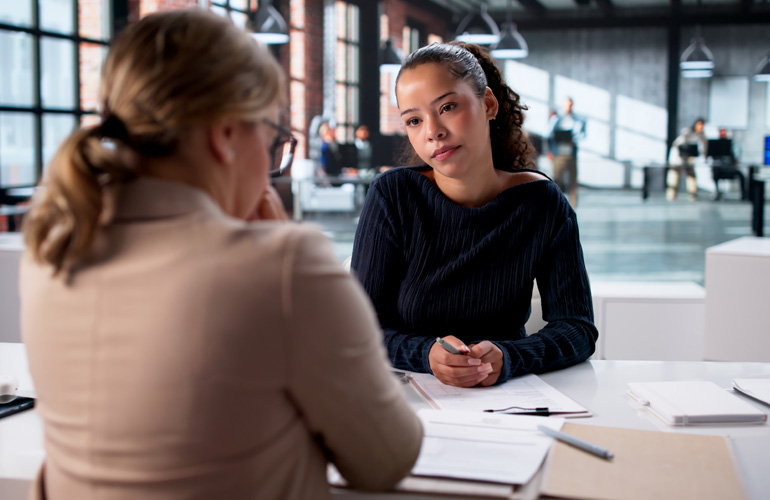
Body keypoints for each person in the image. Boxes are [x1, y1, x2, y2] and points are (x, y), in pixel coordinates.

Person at [19, 10, 421, 500]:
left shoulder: (53, 248)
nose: (271, 163)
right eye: (272, 140)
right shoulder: (284, 268)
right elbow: (386, 460)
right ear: (226, 134)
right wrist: (278, 250)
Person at [350, 42, 597, 388]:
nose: (433, 131)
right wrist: (426, 354)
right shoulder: (393, 195)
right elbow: (359, 329)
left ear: (489, 104)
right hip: (410, 396)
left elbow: (578, 328)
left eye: (448, 107)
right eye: (414, 120)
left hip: (508, 399)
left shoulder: (541, 202)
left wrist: (510, 357)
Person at [547, 97, 585, 206]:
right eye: (567, 105)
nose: (569, 107)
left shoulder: (578, 120)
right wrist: (550, 151)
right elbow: (549, 134)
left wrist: (573, 139)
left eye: (570, 105)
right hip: (558, 153)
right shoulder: (556, 119)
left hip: (571, 153)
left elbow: (582, 134)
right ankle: (557, 203)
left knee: (573, 180)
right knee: (556, 178)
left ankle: (573, 204)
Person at [667, 117, 707, 201]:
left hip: (689, 158)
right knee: (674, 176)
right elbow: (680, 145)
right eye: (699, 125)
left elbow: (704, 147)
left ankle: (693, 195)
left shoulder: (701, 135)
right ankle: (671, 195)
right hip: (678, 157)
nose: (701, 127)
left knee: (691, 176)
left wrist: (703, 157)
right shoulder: (687, 132)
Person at [710, 127, 746, 201]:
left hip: (730, 168)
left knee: (741, 175)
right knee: (715, 173)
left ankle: (744, 195)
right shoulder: (715, 145)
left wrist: (735, 160)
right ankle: (717, 193)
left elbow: (734, 157)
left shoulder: (730, 144)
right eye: (721, 133)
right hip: (720, 169)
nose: (723, 134)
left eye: (724, 133)